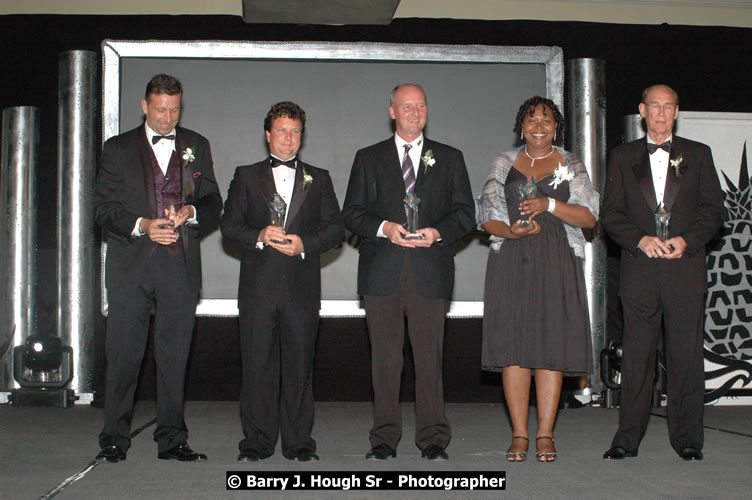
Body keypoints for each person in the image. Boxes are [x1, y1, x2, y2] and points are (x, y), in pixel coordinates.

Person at [342, 84, 475, 461]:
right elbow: (351, 213)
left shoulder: (449, 157)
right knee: (384, 362)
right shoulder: (368, 158)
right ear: (392, 111)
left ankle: (433, 439)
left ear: (427, 112)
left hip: (429, 272)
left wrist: (437, 233)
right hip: (381, 274)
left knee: (429, 360)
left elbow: (466, 213)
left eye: (420, 106)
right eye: (406, 106)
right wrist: (385, 227)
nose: (414, 112)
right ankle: (383, 439)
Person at [94, 74, 222, 462]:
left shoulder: (196, 145)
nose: (168, 118)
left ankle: (172, 439)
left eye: (174, 110)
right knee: (123, 356)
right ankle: (114, 438)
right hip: (130, 268)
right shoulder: (116, 149)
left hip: (178, 268)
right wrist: (143, 225)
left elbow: (214, 200)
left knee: (174, 356)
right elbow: (102, 209)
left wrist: (192, 211)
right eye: (161, 110)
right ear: (144, 106)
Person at [601, 84, 725, 461]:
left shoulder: (699, 154)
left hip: (684, 271)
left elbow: (714, 211)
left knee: (686, 358)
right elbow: (611, 215)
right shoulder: (622, 157)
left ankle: (688, 439)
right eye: (654, 106)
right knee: (637, 359)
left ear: (676, 112)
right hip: (639, 273)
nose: (660, 113)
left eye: (668, 106)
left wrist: (687, 240)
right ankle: (626, 439)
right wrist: (639, 239)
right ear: (642, 110)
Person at [476, 96, 599, 462]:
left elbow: (589, 217)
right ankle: (519, 434)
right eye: (532, 119)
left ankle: (545, 434)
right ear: (521, 126)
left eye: (546, 119)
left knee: (551, 347)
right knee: (514, 349)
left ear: (557, 126)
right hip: (512, 258)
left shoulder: (572, 163)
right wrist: (511, 233)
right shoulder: (505, 162)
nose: (539, 126)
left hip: (557, 259)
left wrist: (549, 205)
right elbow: (486, 213)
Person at [220, 101, 343, 462]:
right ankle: (256, 443)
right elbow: (229, 225)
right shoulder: (245, 175)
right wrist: (259, 234)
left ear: (301, 136)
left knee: (300, 368)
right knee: (256, 369)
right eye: (282, 131)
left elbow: (335, 229)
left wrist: (305, 243)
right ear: (268, 135)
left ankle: (299, 443)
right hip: (258, 289)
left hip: (301, 288)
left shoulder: (318, 178)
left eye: (295, 131)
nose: (288, 138)